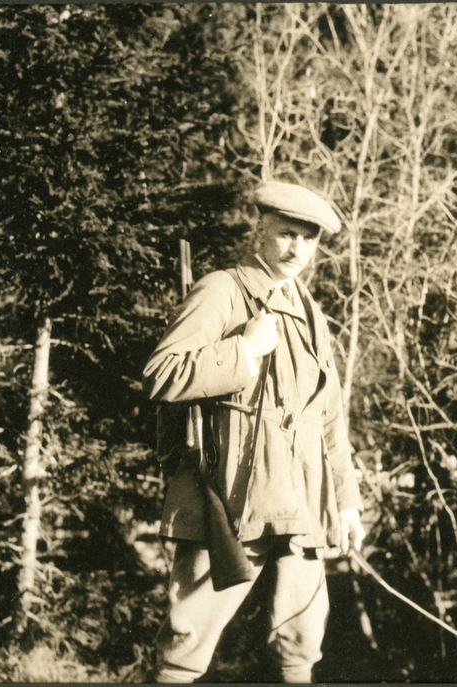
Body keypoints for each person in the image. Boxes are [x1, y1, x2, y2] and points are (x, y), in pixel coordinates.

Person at [144, 181, 366, 683]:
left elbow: (328, 418)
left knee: (301, 644)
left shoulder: (312, 314)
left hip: (304, 504)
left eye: (308, 240)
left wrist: (347, 503)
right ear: (259, 231)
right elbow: (161, 374)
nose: (297, 250)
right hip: (230, 499)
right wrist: (242, 352)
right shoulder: (222, 290)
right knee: (187, 640)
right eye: (286, 234)